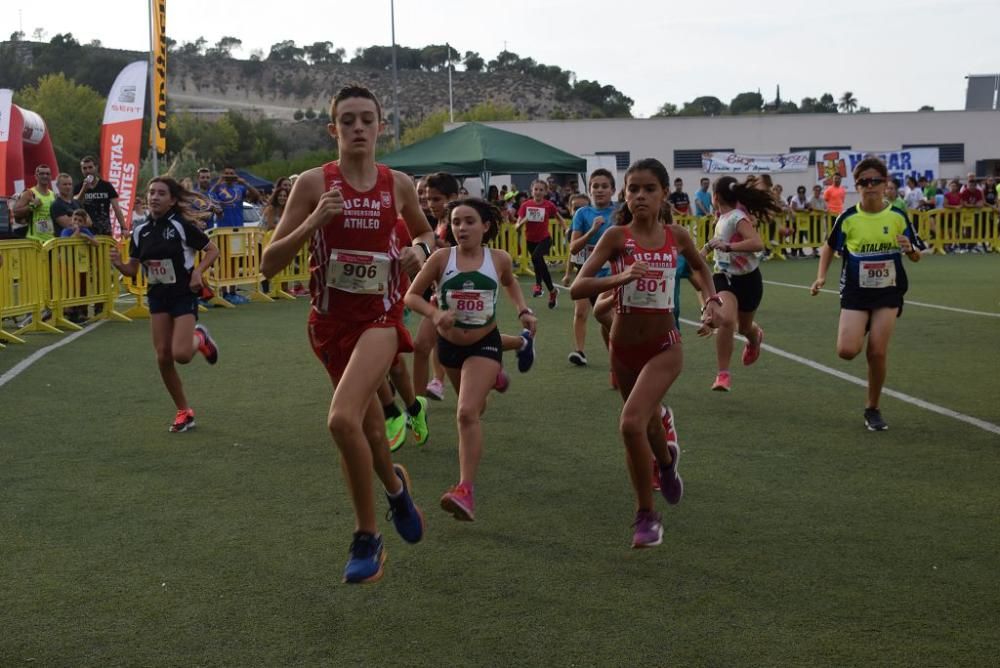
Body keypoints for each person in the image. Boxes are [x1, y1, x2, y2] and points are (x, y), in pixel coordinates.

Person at [260, 84, 432, 585]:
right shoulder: (314, 184)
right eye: (348, 120)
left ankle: (367, 537)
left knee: (340, 421)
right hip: (328, 325)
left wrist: (418, 253)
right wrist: (314, 219)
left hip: (380, 319)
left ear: (381, 127)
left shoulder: (397, 184)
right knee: (371, 431)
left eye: (367, 119)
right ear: (333, 130)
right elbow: (270, 264)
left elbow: (425, 232)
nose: (358, 128)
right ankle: (396, 489)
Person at [571, 158, 723, 548]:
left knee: (630, 424)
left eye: (648, 189)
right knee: (649, 424)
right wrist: (621, 277)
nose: (640, 195)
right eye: (633, 189)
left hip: (664, 346)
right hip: (623, 348)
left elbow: (703, 271)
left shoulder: (678, 237)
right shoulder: (617, 237)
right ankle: (668, 465)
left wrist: (711, 302)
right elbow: (578, 286)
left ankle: (646, 515)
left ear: (663, 195)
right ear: (625, 194)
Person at [405, 198, 538, 522]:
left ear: (485, 226)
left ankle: (465, 489)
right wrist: (435, 313)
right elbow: (411, 295)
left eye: (469, 221)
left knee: (465, 413)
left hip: (484, 344)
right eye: (456, 222)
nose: (461, 228)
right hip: (449, 348)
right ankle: (495, 379)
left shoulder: (499, 259)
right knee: (477, 408)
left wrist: (523, 309)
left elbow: (509, 282)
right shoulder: (440, 259)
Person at [810, 157, 923, 431]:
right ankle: (862, 324)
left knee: (877, 352)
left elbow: (917, 255)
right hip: (856, 293)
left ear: (885, 185)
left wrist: (909, 249)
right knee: (847, 351)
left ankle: (872, 408)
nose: (870, 186)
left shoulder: (897, 216)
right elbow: (828, 247)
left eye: (875, 181)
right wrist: (821, 276)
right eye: (864, 182)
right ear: (856, 186)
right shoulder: (848, 218)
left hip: (888, 293)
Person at [109, 177, 221, 432]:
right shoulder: (140, 231)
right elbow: (132, 270)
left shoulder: (181, 226)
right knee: (162, 356)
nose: (155, 197)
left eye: (161, 193)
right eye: (151, 193)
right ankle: (184, 411)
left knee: (181, 355)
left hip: (183, 294)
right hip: (158, 296)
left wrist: (198, 272)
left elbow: (212, 250)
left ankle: (200, 338)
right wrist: (118, 263)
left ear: (172, 199)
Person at [704, 175, 783, 392]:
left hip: (748, 279)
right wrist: (704, 251)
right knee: (727, 319)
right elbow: (718, 243)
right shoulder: (720, 217)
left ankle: (755, 338)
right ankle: (723, 375)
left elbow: (758, 243)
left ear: (716, 196)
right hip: (724, 276)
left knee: (744, 327)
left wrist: (728, 247)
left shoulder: (737, 217)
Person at [567, 169, 616, 367]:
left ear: (612, 189)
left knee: (606, 317)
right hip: (587, 273)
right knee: (581, 313)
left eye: (604, 186)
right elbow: (573, 247)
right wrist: (592, 231)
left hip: (611, 273)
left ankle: (616, 361)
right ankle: (580, 351)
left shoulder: (620, 212)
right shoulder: (582, 213)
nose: (599, 190)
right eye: (595, 186)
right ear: (589, 190)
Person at [210, 166, 262, 302]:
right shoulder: (218, 189)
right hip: (222, 230)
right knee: (222, 261)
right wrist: (218, 181)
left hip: (237, 230)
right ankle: (223, 292)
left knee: (234, 260)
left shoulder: (240, 188)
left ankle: (232, 292)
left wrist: (244, 182)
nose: (229, 176)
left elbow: (256, 196)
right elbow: (209, 196)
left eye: (231, 174)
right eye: (226, 173)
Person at [515, 180, 565, 309]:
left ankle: (538, 285)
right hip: (530, 240)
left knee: (536, 258)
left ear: (545, 192)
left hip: (545, 239)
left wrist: (566, 228)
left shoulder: (549, 205)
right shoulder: (526, 205)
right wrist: (523, 221)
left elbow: (559, 217)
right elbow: (517, 226)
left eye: (541, 190)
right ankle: (552, 291)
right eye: (536, 189)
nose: (538, 192)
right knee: (538, 263)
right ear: (532, 191)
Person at [77, 156, 126, 236]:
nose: (88, 171)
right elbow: (75, 204)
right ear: (81, 170)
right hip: (86, 232)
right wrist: (83, 189)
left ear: (96, 167)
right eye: (84, 168)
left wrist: (124, 228)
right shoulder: (79, 187)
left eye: (90, 167)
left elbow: (116, 208)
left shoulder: (106, 186)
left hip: (105, 230)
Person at [13, 164, 57, 242]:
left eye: (47, 174)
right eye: (42, 174)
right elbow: (16, 212)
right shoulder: (30, 193)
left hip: (51, 240)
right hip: (34, 240)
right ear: (36, 176)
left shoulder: (53, 195)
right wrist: (32, 206)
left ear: (50, 177)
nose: (45, 176)